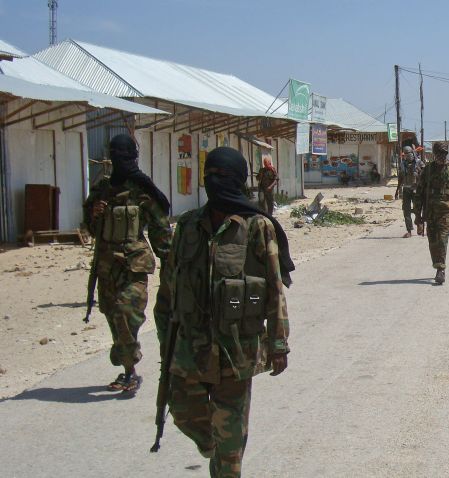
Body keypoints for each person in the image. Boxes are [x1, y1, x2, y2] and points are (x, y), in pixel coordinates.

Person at [158, 146, 293, 477]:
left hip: (236, 352)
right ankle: (213, 446)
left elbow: (275, 288)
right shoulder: (188, 226)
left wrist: (278, 344)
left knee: (230, 449)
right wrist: (166, 341)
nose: (215, 182)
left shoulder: (257, 227)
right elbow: (168, 289)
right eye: (210, 176)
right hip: (191, 347)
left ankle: (224, 455)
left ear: (238, 180)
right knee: (183, 412)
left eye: (223, 176)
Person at [82, 134, 172, 393]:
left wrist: (170, 260)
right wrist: (93, 214)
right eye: (116, 155)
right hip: (107, 267)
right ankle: (127, 367)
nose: (120, 160)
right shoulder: (102, 191)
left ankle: (130, 368)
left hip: (134, 265)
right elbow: (89, 228)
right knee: (112, 316)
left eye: (124, 155)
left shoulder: (142, 191)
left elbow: (160, 227)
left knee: (125, 313)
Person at [413, 142, 449, 285]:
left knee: (442, 240)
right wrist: (418, 215)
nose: (442, 156)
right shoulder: (428, 170)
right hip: (430, 212)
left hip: (446, 212)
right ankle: (437, 265)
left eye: (445, 153)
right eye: (440, 153)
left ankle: (440, 270)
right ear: (435, 154)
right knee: (433, 242)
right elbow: (419, 192)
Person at [395, 146, 423, 238]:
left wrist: (419, 174)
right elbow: (400, 178)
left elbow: (425, 175)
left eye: (409, 153)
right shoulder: (402, 164)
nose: (407, 155)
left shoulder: (419, 162)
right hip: (406, 189)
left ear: (413, 153)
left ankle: (419, 224)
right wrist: (397, 190)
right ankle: (409, 230)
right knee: (406, 210)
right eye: (405, 154)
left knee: (417, 209)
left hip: (416, 189)